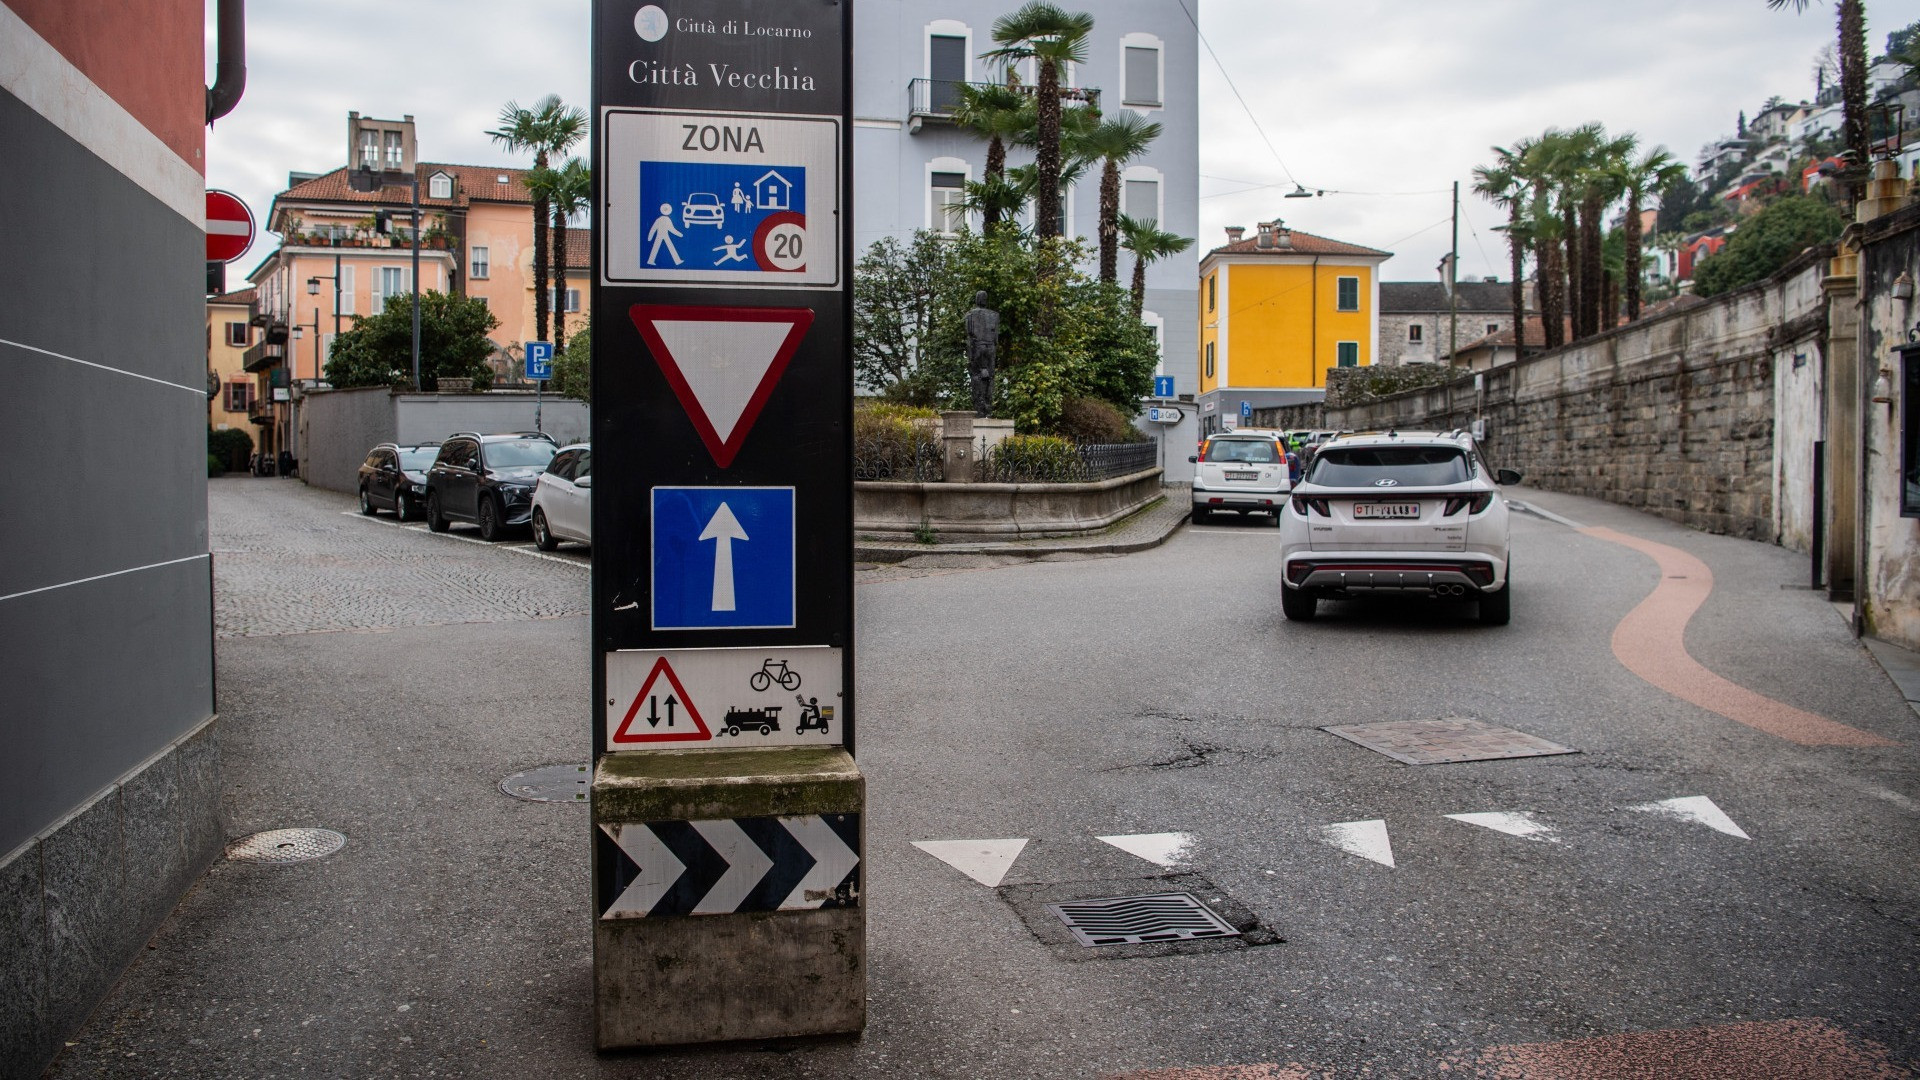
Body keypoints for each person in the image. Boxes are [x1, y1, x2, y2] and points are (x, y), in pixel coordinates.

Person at [963, 291, 1000, 417]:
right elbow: (996, 338)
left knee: (977, 377)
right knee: (990, 378)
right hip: (991, 349)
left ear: (977, 300)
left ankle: (979, 410)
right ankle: (988, 410)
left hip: (977, 348)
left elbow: (970, 336)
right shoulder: (995, 315)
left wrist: (971, 357)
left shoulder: (970, 315)